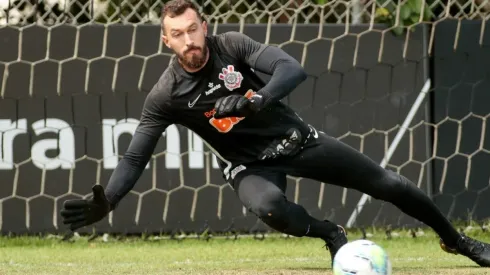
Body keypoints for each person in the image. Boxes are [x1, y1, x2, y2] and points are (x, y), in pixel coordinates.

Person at [60, 0, 490, 267]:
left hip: (297, 140)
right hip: (248, 165)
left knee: (391, 184)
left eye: (193, 29)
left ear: (203, 26)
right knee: (269, 208)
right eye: (178, 34)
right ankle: (331, 235)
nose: (188, 40)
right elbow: (136, 156)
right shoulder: (166, 95)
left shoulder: (232, 45)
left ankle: (458, 242)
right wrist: (110, 201)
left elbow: (292, 69)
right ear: (166, 40)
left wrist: (256, 101)